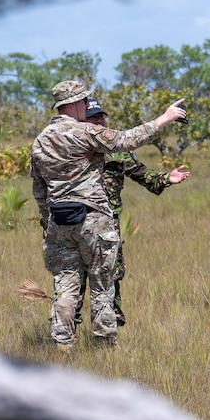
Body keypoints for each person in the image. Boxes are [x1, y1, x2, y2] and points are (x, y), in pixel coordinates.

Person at [28, 79, 188, 349]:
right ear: (76, 103)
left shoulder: (41, 141)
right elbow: (127, 140)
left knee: (64, 288)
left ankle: (62, 346)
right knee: (102, 285)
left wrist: (47, 221)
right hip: (93, 220)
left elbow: (39, 188)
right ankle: (104, 346)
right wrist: (164, 119)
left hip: (58, 222)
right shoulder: (85, 132)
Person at [84, 98, 189, 326]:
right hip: (77, 224)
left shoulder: (118, 151)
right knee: (76, 281)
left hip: (108, 227)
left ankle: (108, 334)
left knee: (111, 276)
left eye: (101, 116)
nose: (99, 121)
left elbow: (144, 176)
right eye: (93, 117)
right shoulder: (74, 149)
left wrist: (166, 178)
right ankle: (67, 334)